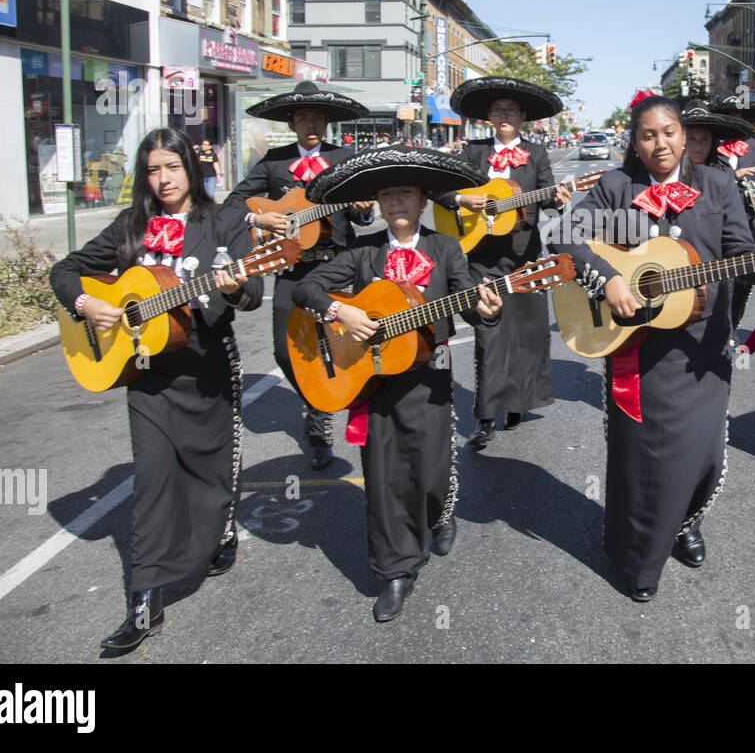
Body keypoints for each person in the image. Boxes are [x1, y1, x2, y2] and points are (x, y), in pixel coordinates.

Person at [552, 96, 755, 602]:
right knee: (646, 459)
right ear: (634, 142)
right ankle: (640, 561)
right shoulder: (617, 186)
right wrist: (609, 279)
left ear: (684, 136)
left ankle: (685, 522)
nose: (659, 144)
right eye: (647, 135)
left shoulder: (718, 184)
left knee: (701, 455)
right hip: (639, 349)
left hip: (701, 349)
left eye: (668, 133)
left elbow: (741, 251)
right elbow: (564, 236)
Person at [50, 127, 263, 651]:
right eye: (153, 170)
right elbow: (67, 269)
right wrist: (86, 304)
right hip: (147, 377)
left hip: (208, 367)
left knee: (210, 473)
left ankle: (220, 531)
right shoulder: (132, 226)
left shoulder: (225, 221)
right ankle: (145, 600)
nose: (164, 179)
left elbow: (253, 291)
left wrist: (237, 284)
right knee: (151, 481)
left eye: (172, 166)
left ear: (191, 167)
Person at [293, 147, 501, 622]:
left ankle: (437, 513)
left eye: (405, 192)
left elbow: (468, 299)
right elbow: (307, 289)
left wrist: (488, 308)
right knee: (385, 478)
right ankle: (394, 570)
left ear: (424, 199)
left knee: (429, 473)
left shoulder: (445, 248)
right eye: (387, 194)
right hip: (376, 383)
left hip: (430, 376)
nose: (396, 202)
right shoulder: (364, 251)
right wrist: (340, 310)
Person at [224, 81, 374, 470]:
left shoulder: (346, 157)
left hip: (337, 263)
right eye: (304, 117)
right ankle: (316, 407)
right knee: (284, 349)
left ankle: (340, 417)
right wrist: (259, 218)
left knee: (343, 344)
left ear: (327, 123)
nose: (311, 124)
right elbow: (234, 203)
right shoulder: (274, 161)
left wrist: (363, 208)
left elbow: (365, 213)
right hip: (291, 267)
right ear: (292, 123)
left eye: (318, 118)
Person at [432, 77, 570, 449]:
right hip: (480, 256)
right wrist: (463, 202)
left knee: (525, 334)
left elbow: (549, 196)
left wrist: (557, 198)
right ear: (489, 117)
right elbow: (439, 188)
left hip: (523, 255)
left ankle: (519, 403)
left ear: (523, 116)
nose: (504, 115)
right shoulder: (472, 152)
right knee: (489, 335)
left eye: (511, 110)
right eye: (498, 110)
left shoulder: (537, 154)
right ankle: (485, 416)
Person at [709, 94, 755, 340]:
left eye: (740, 119)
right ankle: (719, 326)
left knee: (745, 279)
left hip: (748, 221)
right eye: (731, 119)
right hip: (720, 219)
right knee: (722, 276)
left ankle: (733, 326)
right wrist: (735, 176)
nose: (736, 123)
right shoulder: (713, 146)